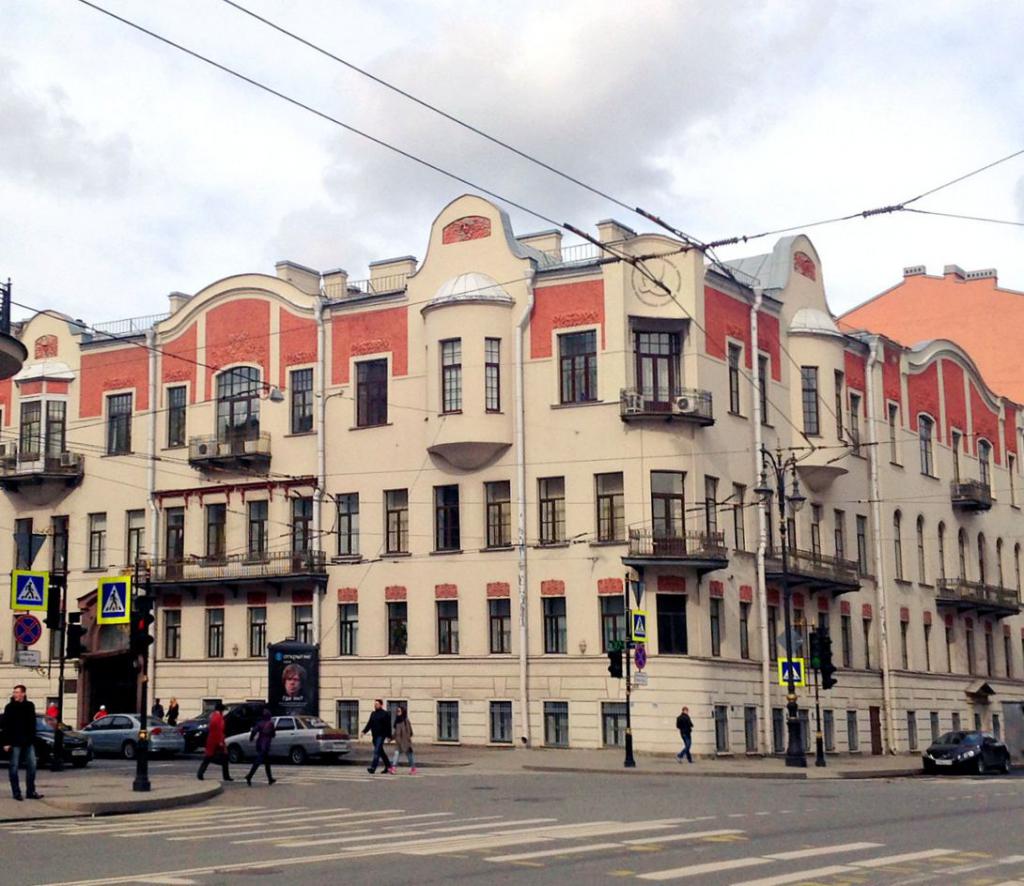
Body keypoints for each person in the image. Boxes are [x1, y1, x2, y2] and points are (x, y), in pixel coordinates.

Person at [3, 684, 43, 801]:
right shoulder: (9, 707)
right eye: (14, 692)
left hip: (28, 741)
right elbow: (6, 726)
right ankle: (16, 792)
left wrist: (32, 738)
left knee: (32, 766)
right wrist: (6, 742)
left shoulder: (29, 706)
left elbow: (32, 723)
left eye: (17, 692)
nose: (15, 694)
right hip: (15, 742)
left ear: (23, 694)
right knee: (14, 767)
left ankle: (30, 791)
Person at [196, 702, 233, 782]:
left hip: (214, 739)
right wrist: (220, 741)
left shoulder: (215, 716)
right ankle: (225, 776)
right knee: (214, 758)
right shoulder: (217, 717)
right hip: (216, 740)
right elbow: (218, 730)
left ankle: (201, 773)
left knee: (212, 757)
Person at [245, 708, 277, 786]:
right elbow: (273, 734)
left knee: (267, 762)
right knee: (258, 762)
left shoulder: (260, 723)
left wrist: (251, 738)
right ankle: (249, 776)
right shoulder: (270, 724)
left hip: (259, 743)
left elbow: (254, 731)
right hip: (265, 745)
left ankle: (270, 779)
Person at [361, 699, 393, 774]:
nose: (375, 705)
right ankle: (388, 766)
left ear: (381, 705)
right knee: (381, 752)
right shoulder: (373, 714)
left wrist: (389, 736)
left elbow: (388, 726)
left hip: (381, 735)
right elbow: (369, 724)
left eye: (377, 704)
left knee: (376, 752)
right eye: (375, 704)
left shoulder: (385, 714)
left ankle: (373, 768)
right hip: (374, 736)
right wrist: (364, 731)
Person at [392, 705, 417, 774]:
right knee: (396, 754)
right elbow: (396, 732)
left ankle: (413, 768)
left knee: (409, 756)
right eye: (397, 711)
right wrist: (391, 738)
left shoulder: (406, 721)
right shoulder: (397, 721)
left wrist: (407, 740)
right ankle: (393, 768)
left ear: (403, 712)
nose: (398, 712)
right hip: (398, 742)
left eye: (399, 711)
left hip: (405, 742)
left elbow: (410, 732)